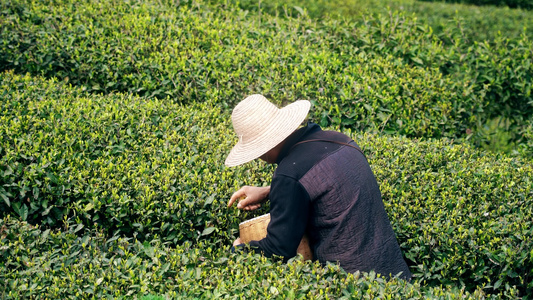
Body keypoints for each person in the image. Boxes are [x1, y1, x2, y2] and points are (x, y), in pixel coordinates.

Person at [225, 94, 411, 280]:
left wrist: (238, 250)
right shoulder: (339, 140)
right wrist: (268, 191)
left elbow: (279, 249)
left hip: (354, 286)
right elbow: (324, 185)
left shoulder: (289, 174)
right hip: (396, 277)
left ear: (263, 147)